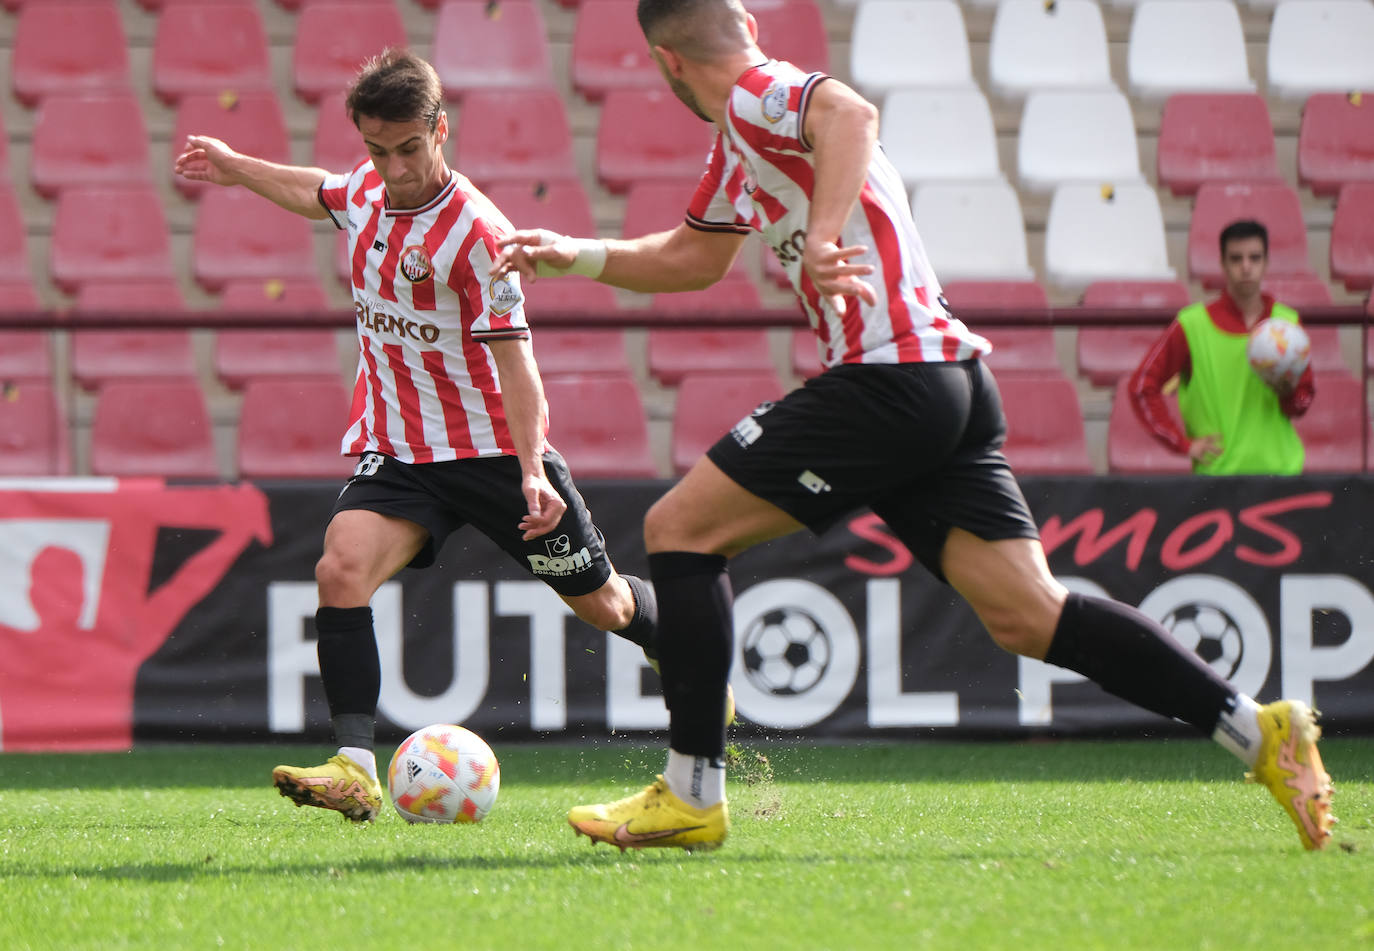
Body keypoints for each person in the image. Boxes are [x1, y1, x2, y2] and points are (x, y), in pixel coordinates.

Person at [490, 0, 1334, 852]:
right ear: (745, 18)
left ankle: (692, 792)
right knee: (1029, 614)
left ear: (667, 63)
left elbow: (850, 112)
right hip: (948, 385)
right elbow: (692, 257)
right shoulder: (742, 142)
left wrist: (821, 235)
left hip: (886, 379)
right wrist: (579, 253)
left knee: (679, 530)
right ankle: (1257, 730)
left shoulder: (755, 95)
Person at [174, 49, 663, 823]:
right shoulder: (368, 187)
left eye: (409, 148)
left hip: (496, 451)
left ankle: (682, 640)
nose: (395, 168)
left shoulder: (479, 234)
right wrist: (237, 168)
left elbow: (519, 366)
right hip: (402, 448)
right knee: (340, 569)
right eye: (378, 150)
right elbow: (319, 191)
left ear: (441, 129)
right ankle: (354, 766)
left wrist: (532, 469)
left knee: (602, 603)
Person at [1129, 219, 1315, 475]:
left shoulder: (1288, 323)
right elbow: (1141, 386)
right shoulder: (1192, 324)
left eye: (1254, 258)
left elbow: (1302, 403)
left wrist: (1288, 393)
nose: (1246, 267)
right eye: (1236, 259)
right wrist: (1182, 444)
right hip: (1219, 481)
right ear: (1223, 264)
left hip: (1282, 473)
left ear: (1266, 263)